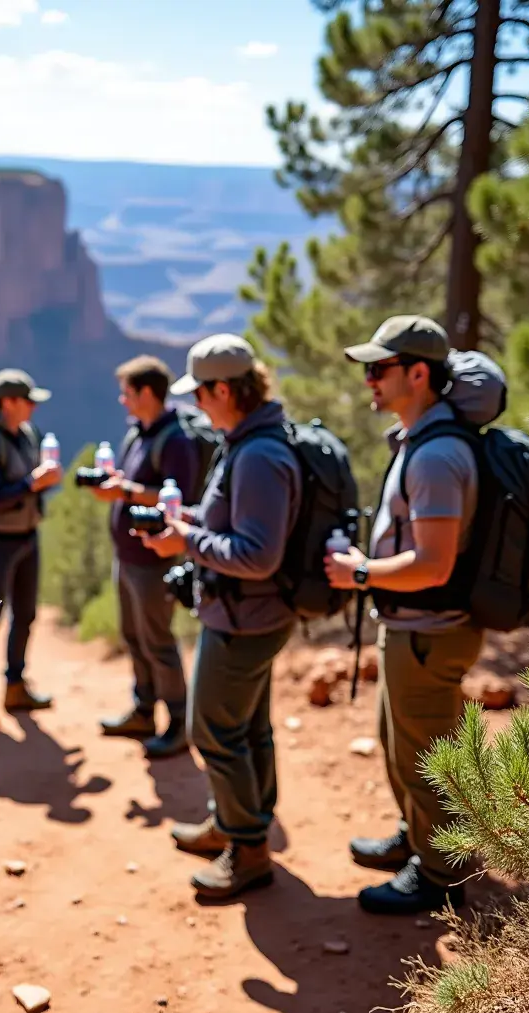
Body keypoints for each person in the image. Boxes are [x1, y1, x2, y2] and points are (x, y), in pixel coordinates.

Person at [325, 315, 482, 915]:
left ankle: (442, 873)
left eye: (378, 369)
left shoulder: (437, 456)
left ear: (418, 374)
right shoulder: (421, 441)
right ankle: (417, 838)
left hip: (430, 631)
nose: (368, 381)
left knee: (426, 754)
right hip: (416, 628)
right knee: (402, 746)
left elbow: (435, 564)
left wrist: (360, 573)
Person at [136, 334, 300, 899]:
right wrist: (190, 533)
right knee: (248, 725)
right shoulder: (248, 440)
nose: (196, 405)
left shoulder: (258, 455)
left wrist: (186, 540)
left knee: (212, 727)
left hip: (244, 617)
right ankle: (235, 823)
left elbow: (257, 555)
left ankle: (248, 850)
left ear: (225, 390)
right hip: (245, 612)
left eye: (201, 394)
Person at [90, 355, 200, 758]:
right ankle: (143, 710)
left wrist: (126, 491)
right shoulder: (139, 433)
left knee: (157, 640)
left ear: (149, 394)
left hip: (154, 559)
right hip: (129, 555)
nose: (123, 401)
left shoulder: (176, 440)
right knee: (135, 637)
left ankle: (177, 722)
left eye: (129, 393)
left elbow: (177, 499)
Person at [0, 368, 62, 728]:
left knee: (26, 615)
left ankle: (16, 688)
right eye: (28, 401)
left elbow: (24, 487)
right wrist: (32, 484)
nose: (33, 409)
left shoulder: (25, 434)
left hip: (26, 538)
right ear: (8, 402)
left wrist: (39, 484)